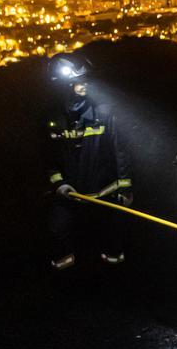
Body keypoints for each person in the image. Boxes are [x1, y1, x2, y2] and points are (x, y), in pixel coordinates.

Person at [43, 52, 132, 270]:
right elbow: (47, 157)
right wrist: (59, 184)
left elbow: (120, 150)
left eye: (87, 80)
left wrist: (125, 187)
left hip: (104, 194)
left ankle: (116, 276)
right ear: (63, 86)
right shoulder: (52, 119)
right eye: (79, 81)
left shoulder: (104, 113)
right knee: (58, 232)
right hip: (68, 195)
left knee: (112, 241)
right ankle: (66, 280)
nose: (85, 85)